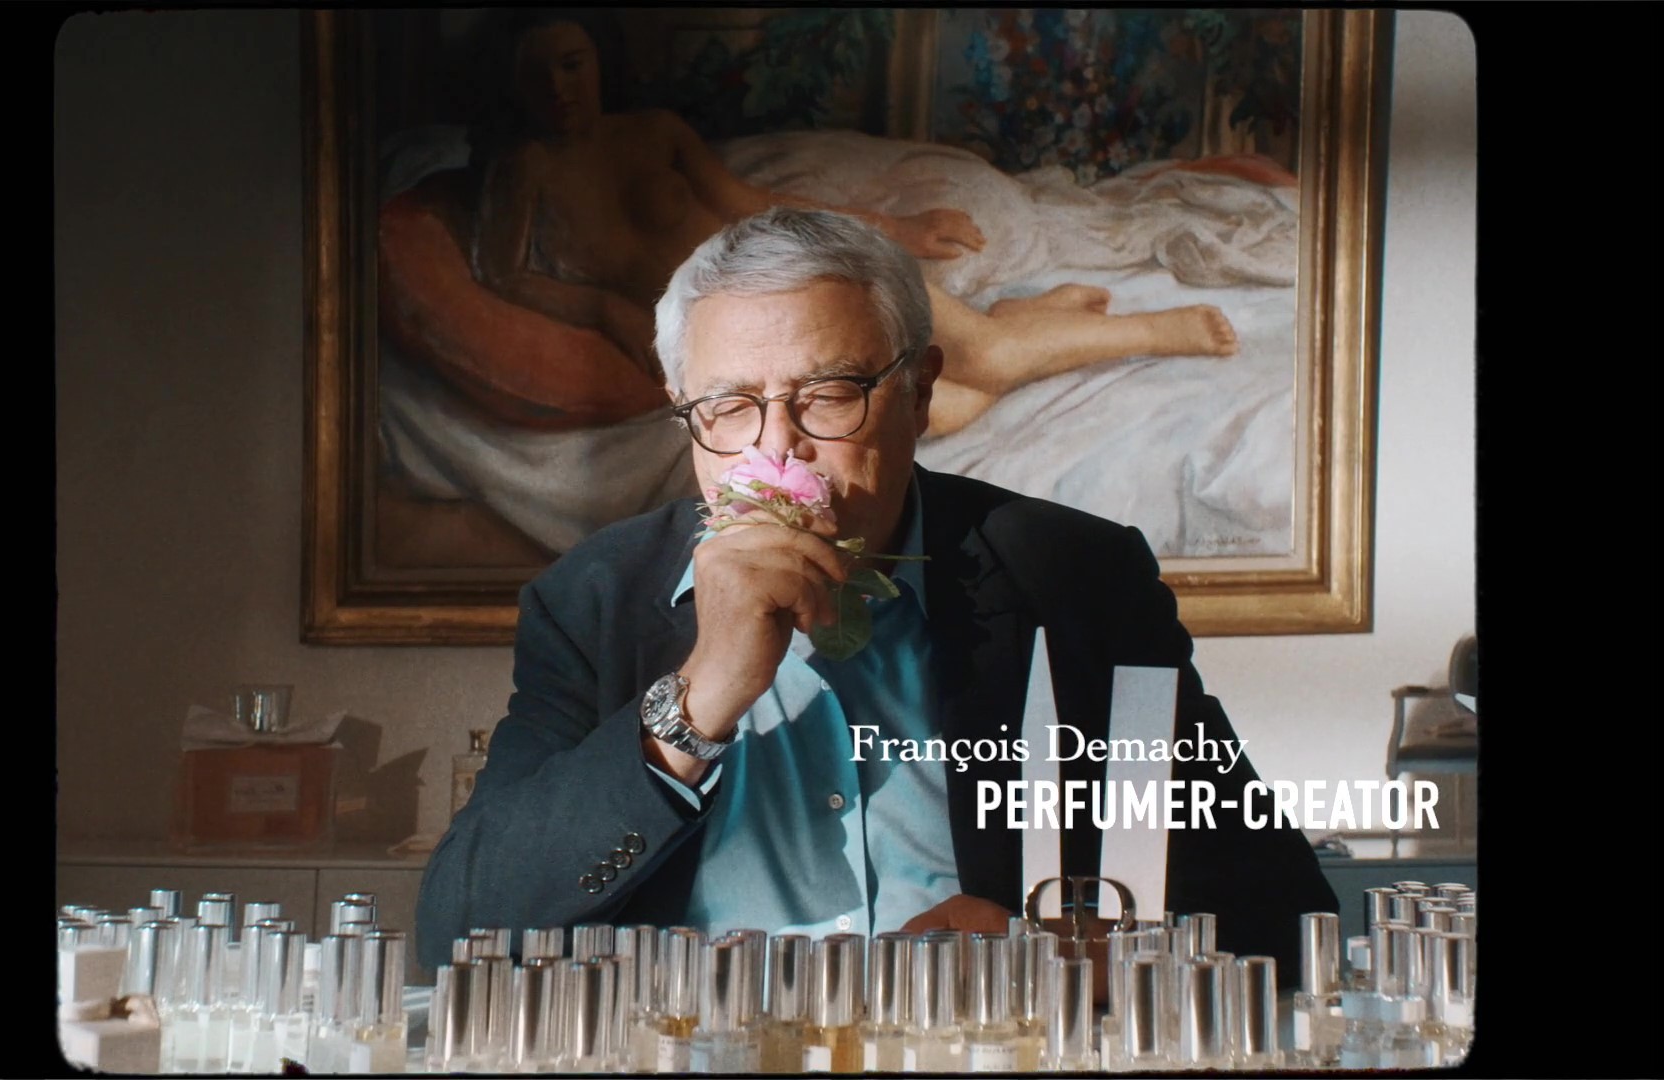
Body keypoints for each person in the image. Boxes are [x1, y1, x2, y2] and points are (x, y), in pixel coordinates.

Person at [416, 207, 1335, 984]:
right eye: (729, 407)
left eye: (828, 394)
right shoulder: (593, 601)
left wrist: (1061, 954)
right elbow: (459, 933)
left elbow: (1283, 917)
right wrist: (699, 697)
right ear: (683, 410)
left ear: (920, 392)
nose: (776, 449)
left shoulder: (1073, 578)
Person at [386, 9, 1239, 441]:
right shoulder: (523, 171)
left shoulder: (652, 132)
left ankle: (1153, 331)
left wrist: (896, 228)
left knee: (978, 359)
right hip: (743, 336)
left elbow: (754, 203)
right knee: (938, 409)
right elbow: (502, 276)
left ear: (598, 61)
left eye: (572, 64)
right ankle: (1026, 321)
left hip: (802, 272)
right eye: (536, 73)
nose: (559, 88)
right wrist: (606, 311)